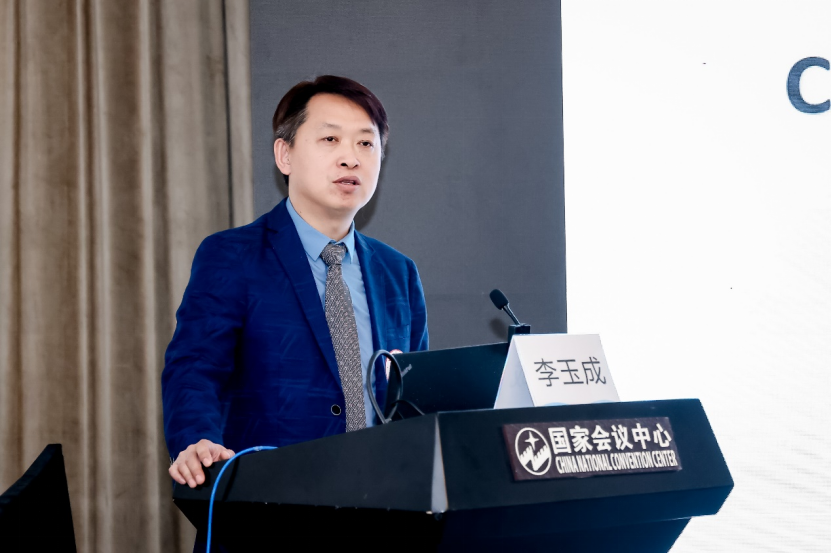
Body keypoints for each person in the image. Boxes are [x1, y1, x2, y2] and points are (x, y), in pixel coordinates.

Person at [162, 75, 429, 491]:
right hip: (272, 500)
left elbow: (418, 397)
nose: (351, 158)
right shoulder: (233, 256)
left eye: (366, 143)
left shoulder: (398, 273)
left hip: (386, 503)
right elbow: (195, 368)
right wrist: (197, 438)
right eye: (330, 140)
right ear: (284, 155)